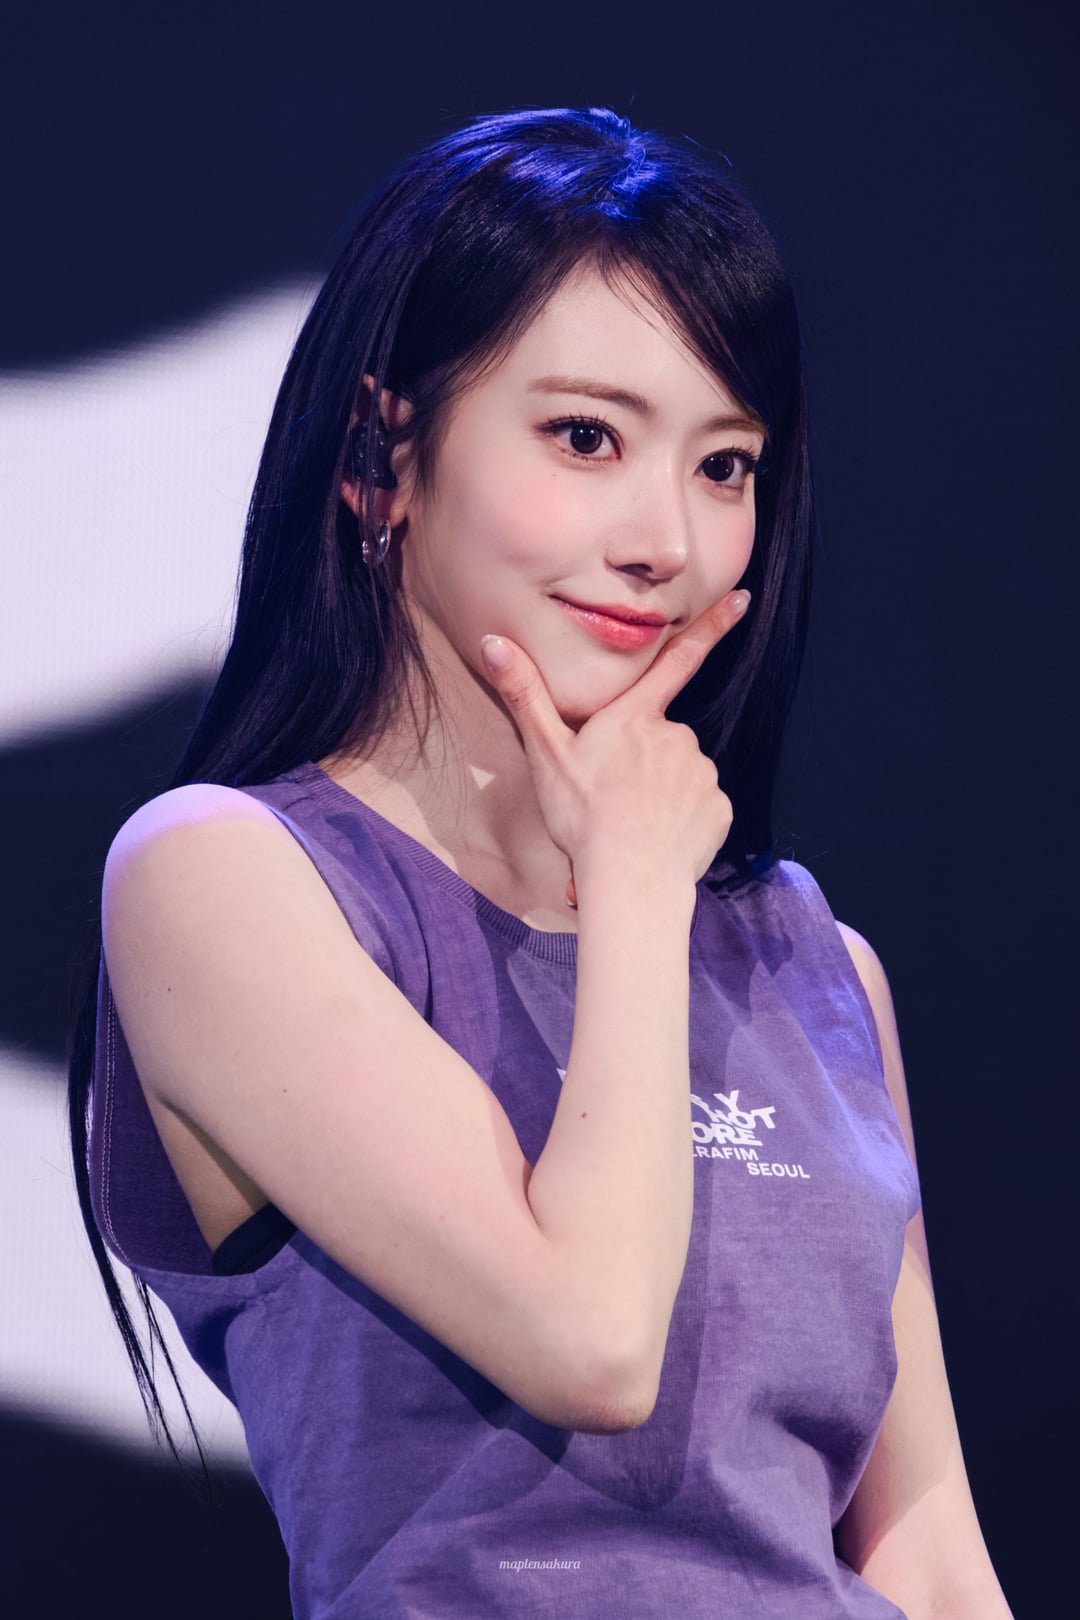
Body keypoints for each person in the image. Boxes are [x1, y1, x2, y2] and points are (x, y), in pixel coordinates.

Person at [67, 106, 1013, 1619]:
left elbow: (925, 1543)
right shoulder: (224, 878)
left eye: (725, 464)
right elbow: (590, 1338)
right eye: (586, 438)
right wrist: (633, 886)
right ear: (382, 457)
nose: (666, 540)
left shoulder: (818, 965)